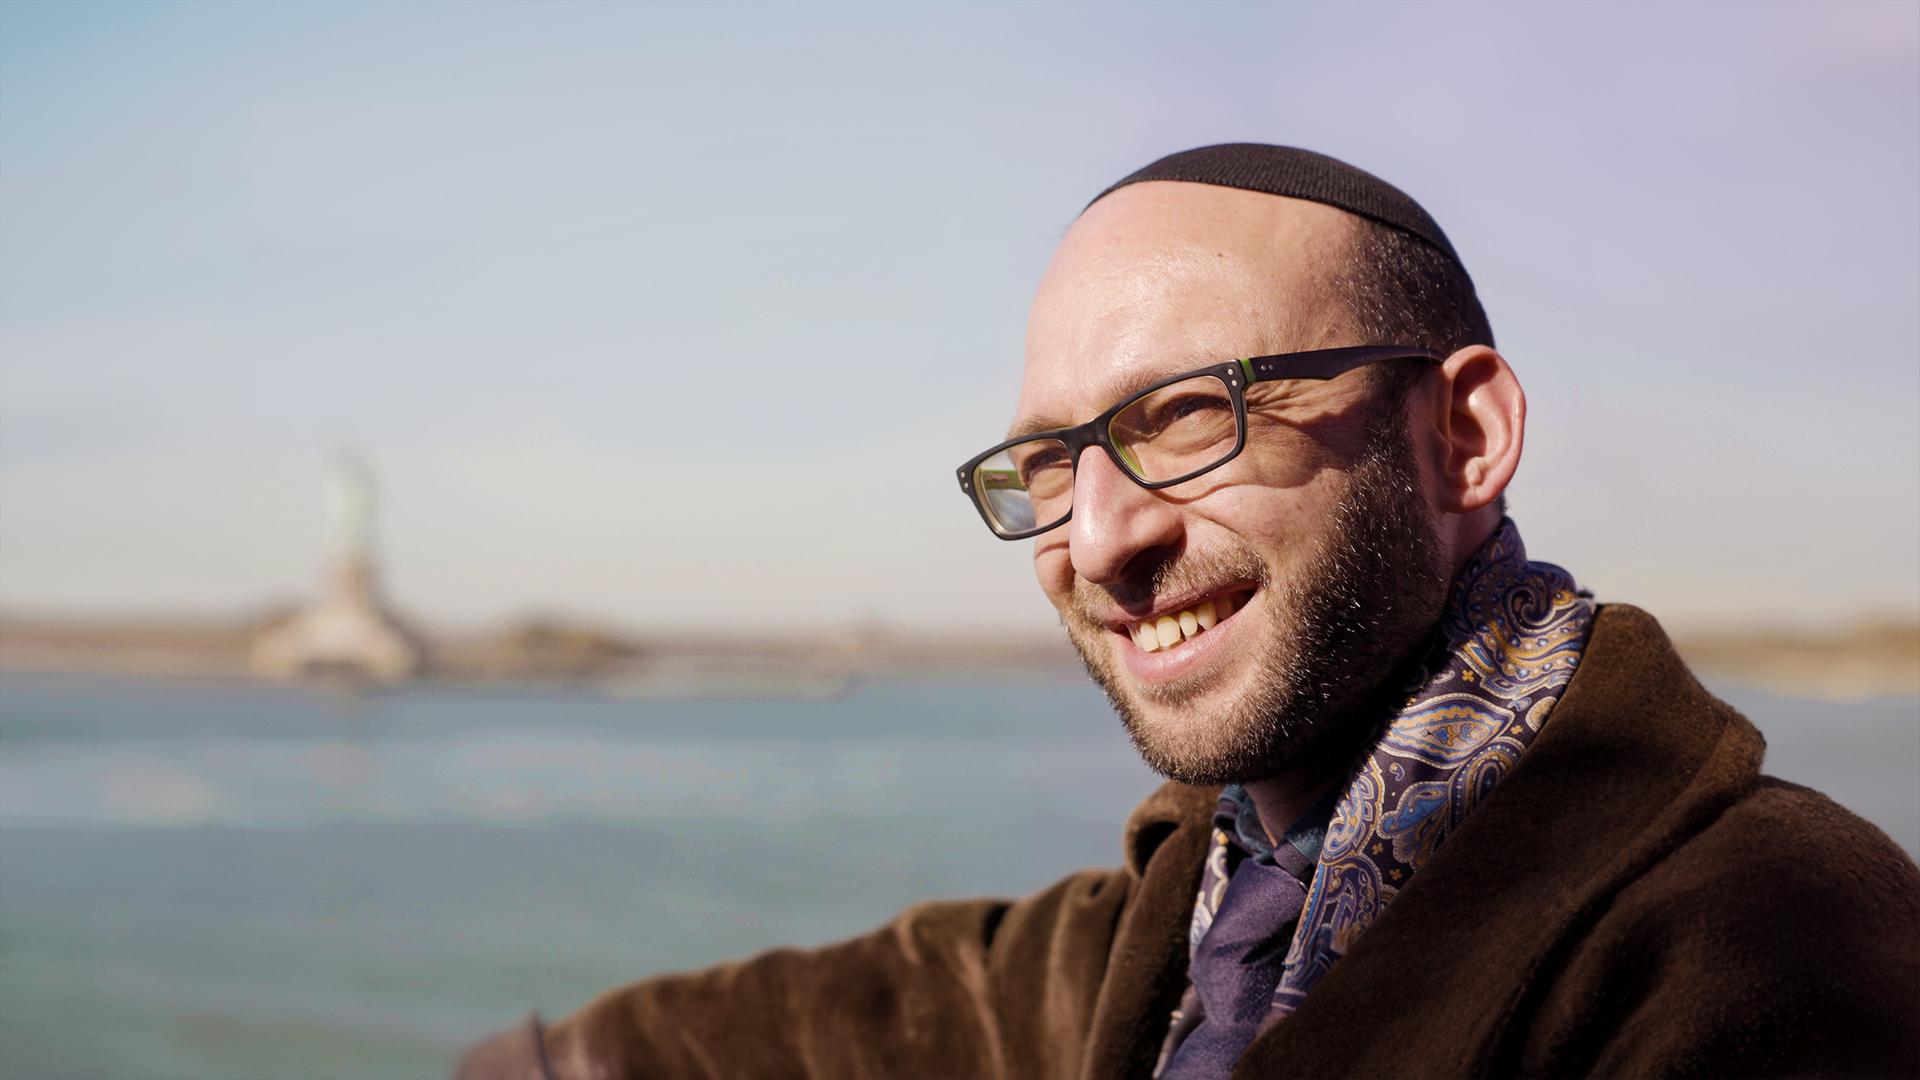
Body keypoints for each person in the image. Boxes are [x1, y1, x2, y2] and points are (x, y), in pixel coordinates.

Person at [458, 144, 1920, 1079]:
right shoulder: (1201, 914)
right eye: (1045, 465)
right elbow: (877, 1016)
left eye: (1185, 417)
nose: (1098, 538)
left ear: (1461, 438)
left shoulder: (1761, 954)